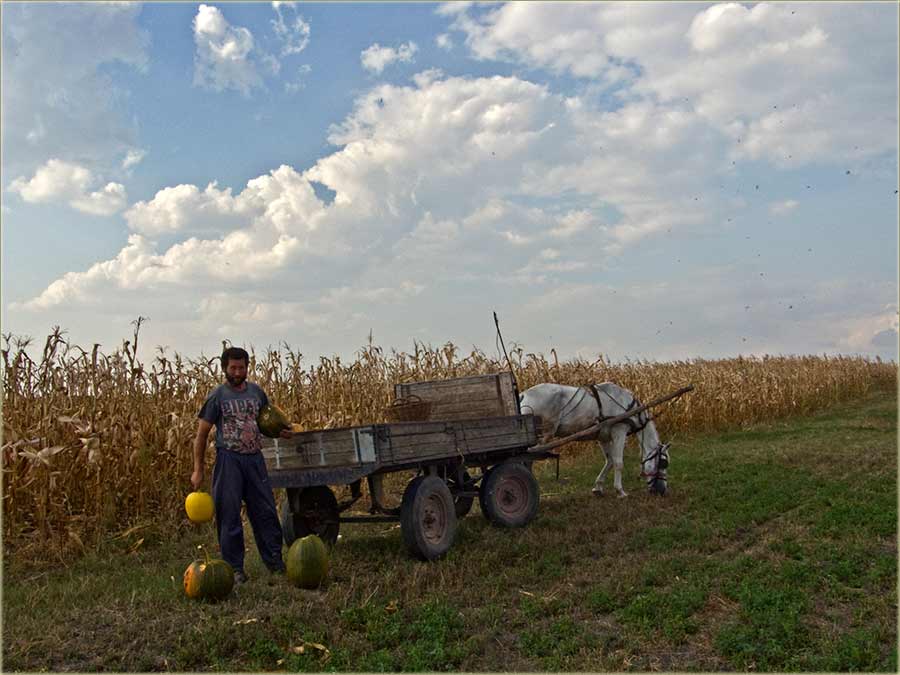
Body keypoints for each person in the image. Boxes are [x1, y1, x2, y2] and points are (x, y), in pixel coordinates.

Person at [191, 346, 292, 583]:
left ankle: (275, 562)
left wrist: (282, 432)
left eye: (242, 367)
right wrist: (198, 470)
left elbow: (266, 423)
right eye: (233, 368)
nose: (238, 372)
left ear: (248, 367)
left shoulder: (257, 393)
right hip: (229, 461)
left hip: (254, 459)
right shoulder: (217, 397)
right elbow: (201, 435)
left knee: (266, 512)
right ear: (225, 368)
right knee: (229, 516)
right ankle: (235, 569)